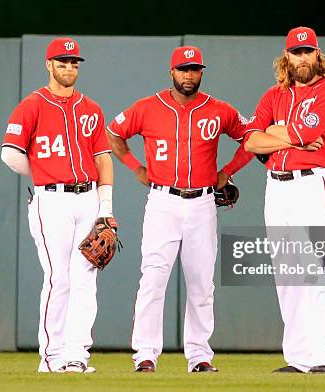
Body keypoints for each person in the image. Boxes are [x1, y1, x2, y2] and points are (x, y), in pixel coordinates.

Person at [107, 46, 254, 373]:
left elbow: (251, 137)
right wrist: (135, 166)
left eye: (195, 69)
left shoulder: (219, 110)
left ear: (202, 72)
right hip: (163, 201)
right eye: (183, 69)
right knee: (153, 279)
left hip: (202, 203)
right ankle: (145, 354)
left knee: (202, 283)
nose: (189, 75)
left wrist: (228, 171)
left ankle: (200, 356)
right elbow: (113, 133)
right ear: (171, 72)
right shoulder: (147, 107)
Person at [1, 37, 114, 373]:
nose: (69, 68)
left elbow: (103, 158)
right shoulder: (32, 104)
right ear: (49, 65)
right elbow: (9, 154)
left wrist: (106, 207)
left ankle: (77, 354)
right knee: (58, 278)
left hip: (89, 196)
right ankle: (51, 356)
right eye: (62, 62)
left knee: (85, 276)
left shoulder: (91, 108)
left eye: (74, 63)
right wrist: (43, 173)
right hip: (51, 201)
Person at [243, 26, 325, 373]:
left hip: (310, 185)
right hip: (277, 186)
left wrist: (275, 133)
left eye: (308, 51)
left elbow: (308, 133)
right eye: (296, 52)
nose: (302, 58)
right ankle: (299, 358)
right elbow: (250, 142)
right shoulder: (274, 95)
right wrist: (288, 139)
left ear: (318, 54)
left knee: (317, 270)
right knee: (287, 273)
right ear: (286, 56)